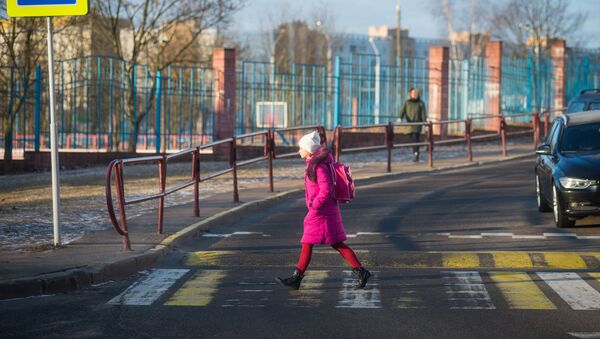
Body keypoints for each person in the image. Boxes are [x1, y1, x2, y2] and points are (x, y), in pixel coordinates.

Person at [275, 131, 371, 290]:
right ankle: (361, 272)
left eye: (301, 148)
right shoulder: (316, 164)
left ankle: (297, 278)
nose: (299, 151)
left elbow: (325, 190)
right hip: (325, 211)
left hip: (321, 212)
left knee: (309, 242)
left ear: (309, 150)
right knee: (335, 243)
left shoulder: (318, 167)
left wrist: (314, 206)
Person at [400, 87, 427, 162]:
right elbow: (402, 111)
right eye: (413, 93)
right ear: (410, 94)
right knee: (412, 139)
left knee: (416, 138)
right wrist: (400, 118)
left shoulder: (421, 103)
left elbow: (423, 114)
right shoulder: (407, 102)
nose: (415, 94)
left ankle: (416, 153)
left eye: (416, 93)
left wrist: (425, 123)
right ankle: (415, 152)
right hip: (409, 124)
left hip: (417, 124)